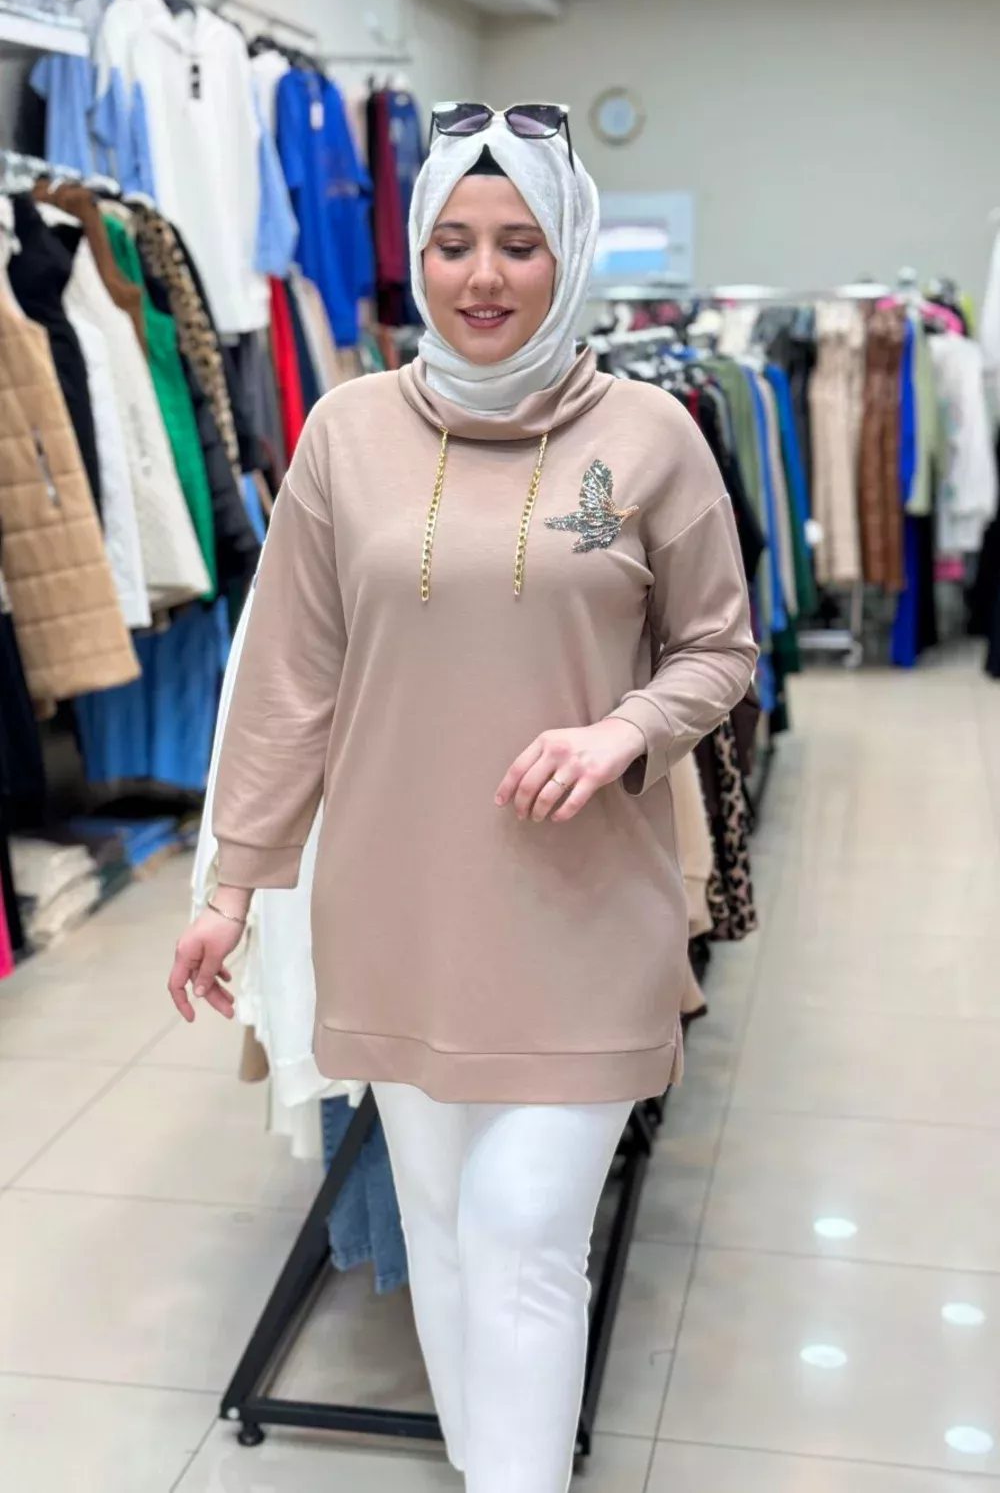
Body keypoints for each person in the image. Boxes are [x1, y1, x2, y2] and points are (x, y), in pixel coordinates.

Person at [169, 105, 757, 1493]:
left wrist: (624, 731)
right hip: (397, 911)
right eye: (451, 243)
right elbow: (288, 680)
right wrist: (232, 887)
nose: (482, 276)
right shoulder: (345, 434)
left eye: (519, 243)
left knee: (522, 1234)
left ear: (571, 254)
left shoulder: (653, 435)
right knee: (436, 1232)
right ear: (416, 256)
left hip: (583, 917)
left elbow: (720, 649)